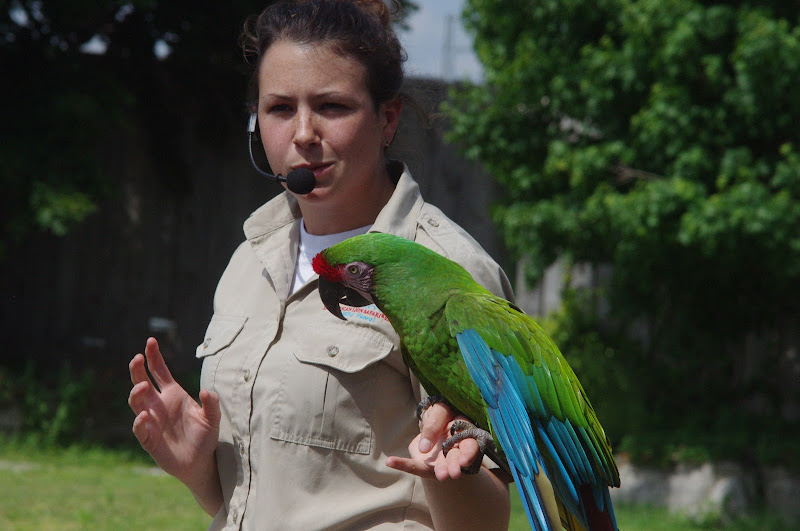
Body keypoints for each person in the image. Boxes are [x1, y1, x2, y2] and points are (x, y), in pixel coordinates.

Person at [128, 1, 515, 528]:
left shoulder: (452, 272)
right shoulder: (250, 259)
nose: (304, 133)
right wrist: (200, 470)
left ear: (388, 118)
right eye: (280, 109)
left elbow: (488, 517)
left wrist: (445, 472)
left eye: (332, 107)